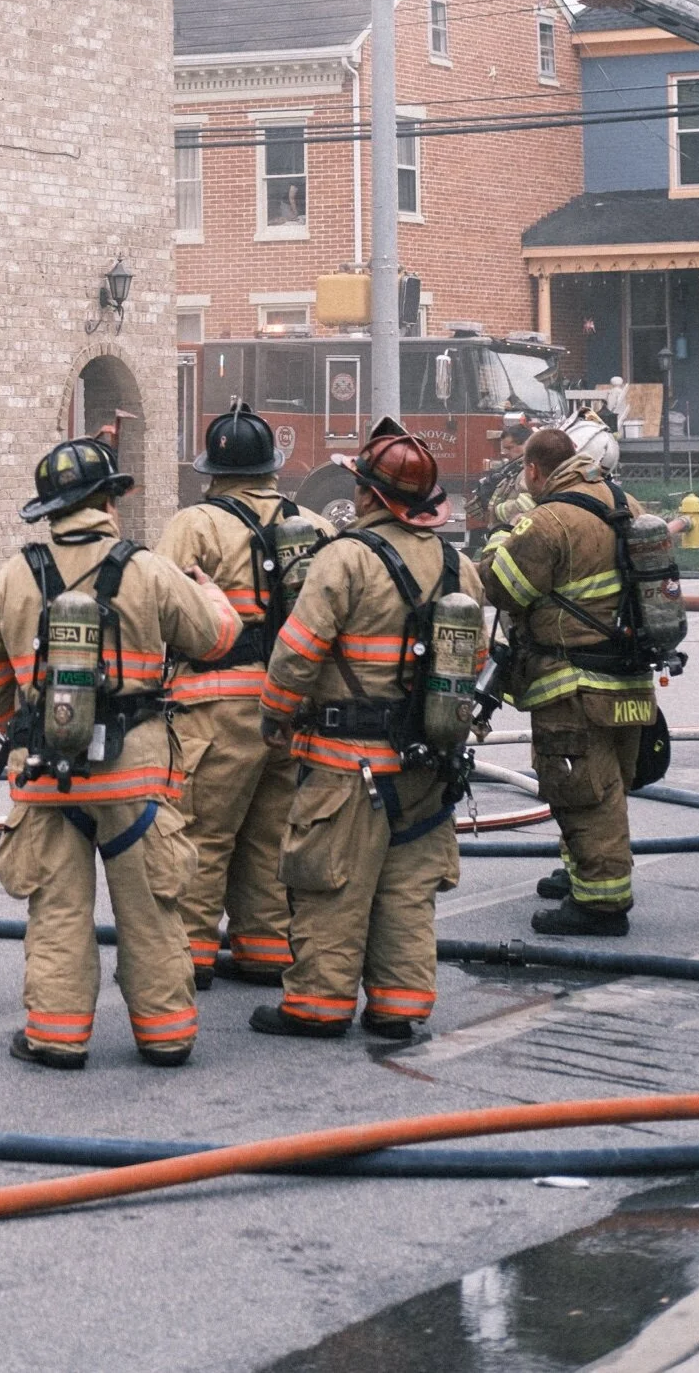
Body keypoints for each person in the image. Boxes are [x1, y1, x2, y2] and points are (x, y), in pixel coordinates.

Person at [0, 436, 241, 1070]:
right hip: (134, 775)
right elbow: (211, 638)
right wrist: (215, 594)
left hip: (46, 777)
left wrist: (24, 727)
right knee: (151, 910)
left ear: (51, 511)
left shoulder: (15, 575)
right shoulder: (144, 568)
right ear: (107, 501)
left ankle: (57, 1038)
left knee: (58, 912)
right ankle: (166, 1035)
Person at [252, 418, 484, 1043]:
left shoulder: (346, 559)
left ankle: (318, 1008)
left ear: (369, 497)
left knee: (331, 883)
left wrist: (274, 716)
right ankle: (398, 1007)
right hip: (429, 762)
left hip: (347, 763)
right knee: (408, 891)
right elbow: (476, 660)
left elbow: (297, 653)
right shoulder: (458, 565)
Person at [161, 402, 330, 987]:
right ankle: (266, 949)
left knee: (201, 833)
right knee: (271, 834)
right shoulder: (314, 526)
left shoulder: (195, 525)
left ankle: (186, 958)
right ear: (272, 467)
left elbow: (166, 610)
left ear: (212, 470)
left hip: (214, 708)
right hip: (291, 707)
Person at [479, 423, 655, 938]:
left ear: (535, 470)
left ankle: (601, 904)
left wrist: (498, 532)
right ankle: (581, 871)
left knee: (583, 793)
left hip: (574, 682)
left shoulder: (549, 520)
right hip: (629, 678)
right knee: (605, 786)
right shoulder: (626, 503)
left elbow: (502, 587)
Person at [466, 411, 535, 555]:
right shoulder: (514, 470)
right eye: (504, 448)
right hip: (504, 539)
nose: (505, 453)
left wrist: (495, 510)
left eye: (510, 448)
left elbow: (526, 506)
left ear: (527, 444)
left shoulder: (528, 471)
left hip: (516, 542)